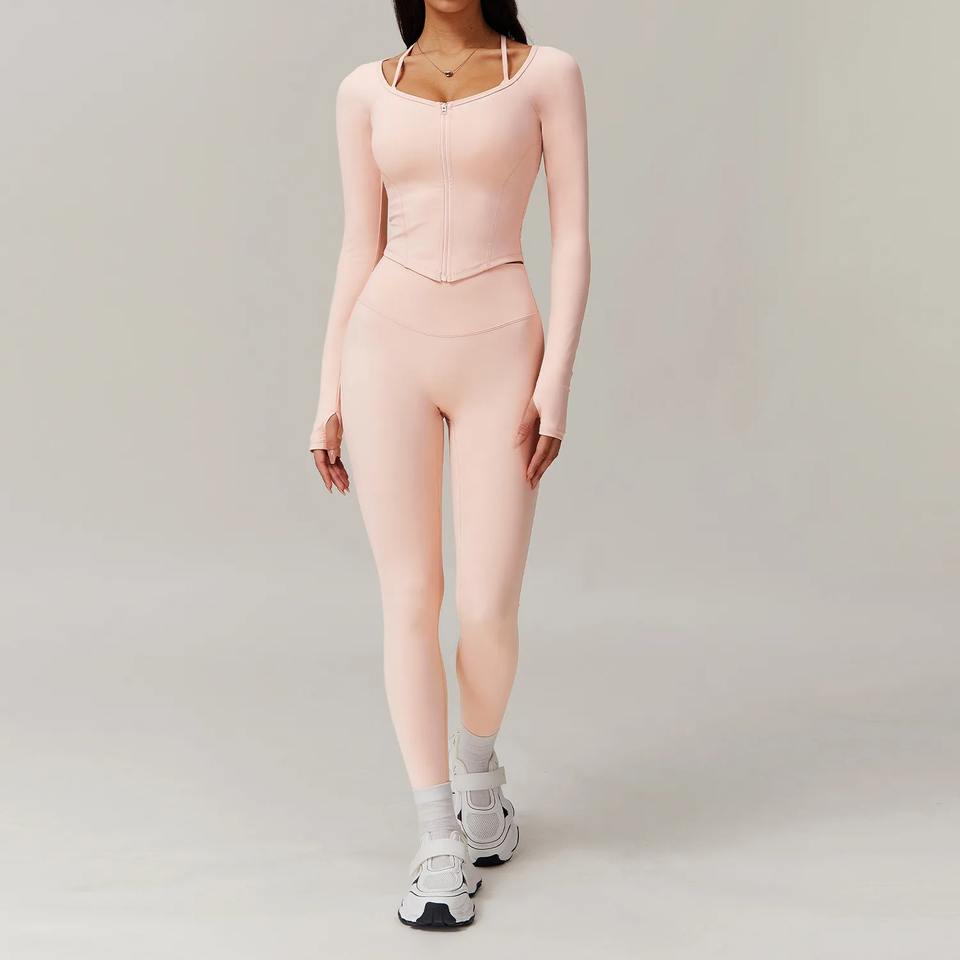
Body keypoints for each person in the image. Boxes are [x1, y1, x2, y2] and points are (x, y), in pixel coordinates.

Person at [308, 0, 589, 928]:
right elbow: (360, 241)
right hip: (383, 346)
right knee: (408, 596)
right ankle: (438, 839)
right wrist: (327, 390)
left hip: (501, 346)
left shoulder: (547, 74)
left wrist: (555, 381)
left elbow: (572, 237)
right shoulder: (363, 90)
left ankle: (478, 774)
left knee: (486, 607)